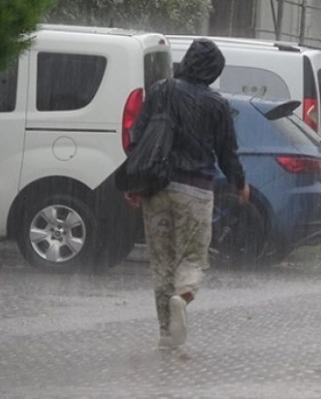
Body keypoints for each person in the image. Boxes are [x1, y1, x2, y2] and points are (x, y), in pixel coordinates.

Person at [125, 39, 249, 350]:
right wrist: (239, 183)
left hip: (156, 187)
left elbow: (137, 138)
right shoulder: (217, 105)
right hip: (195, 191)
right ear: (213, 71)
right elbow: (226, 152)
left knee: (162, 261)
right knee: (192, 257)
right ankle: (183, 296)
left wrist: (134, 182)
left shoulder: (160, 90)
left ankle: (166, 333)